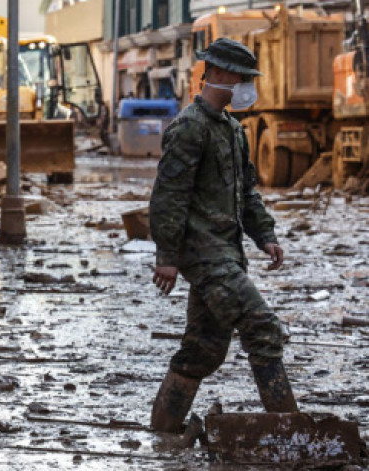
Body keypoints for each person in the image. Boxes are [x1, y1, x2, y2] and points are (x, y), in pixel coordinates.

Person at [149, 38, 299, 433]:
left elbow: (246, 192)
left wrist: (264, 236)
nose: (248, 86)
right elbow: (169, 195)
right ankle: (293, 432)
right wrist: (166, 255)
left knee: (203, 349)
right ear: (215, 74)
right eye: (242, 78)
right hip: (204, 256)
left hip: (226, 254)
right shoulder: (188, 128)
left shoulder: (233, 130)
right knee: (262, 327)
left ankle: (163, 430)